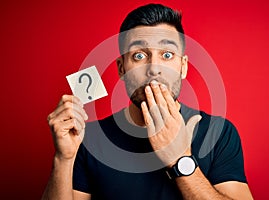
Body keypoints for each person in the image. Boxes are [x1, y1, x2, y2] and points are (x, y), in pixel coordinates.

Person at [42, 3, 253, 200]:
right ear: (121, 68)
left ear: (183, 67)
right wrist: (64, 158)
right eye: (139, 56)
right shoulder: (88, 138)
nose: (154, 68)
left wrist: (180, 160)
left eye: (167, 54)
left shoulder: (218, 132)